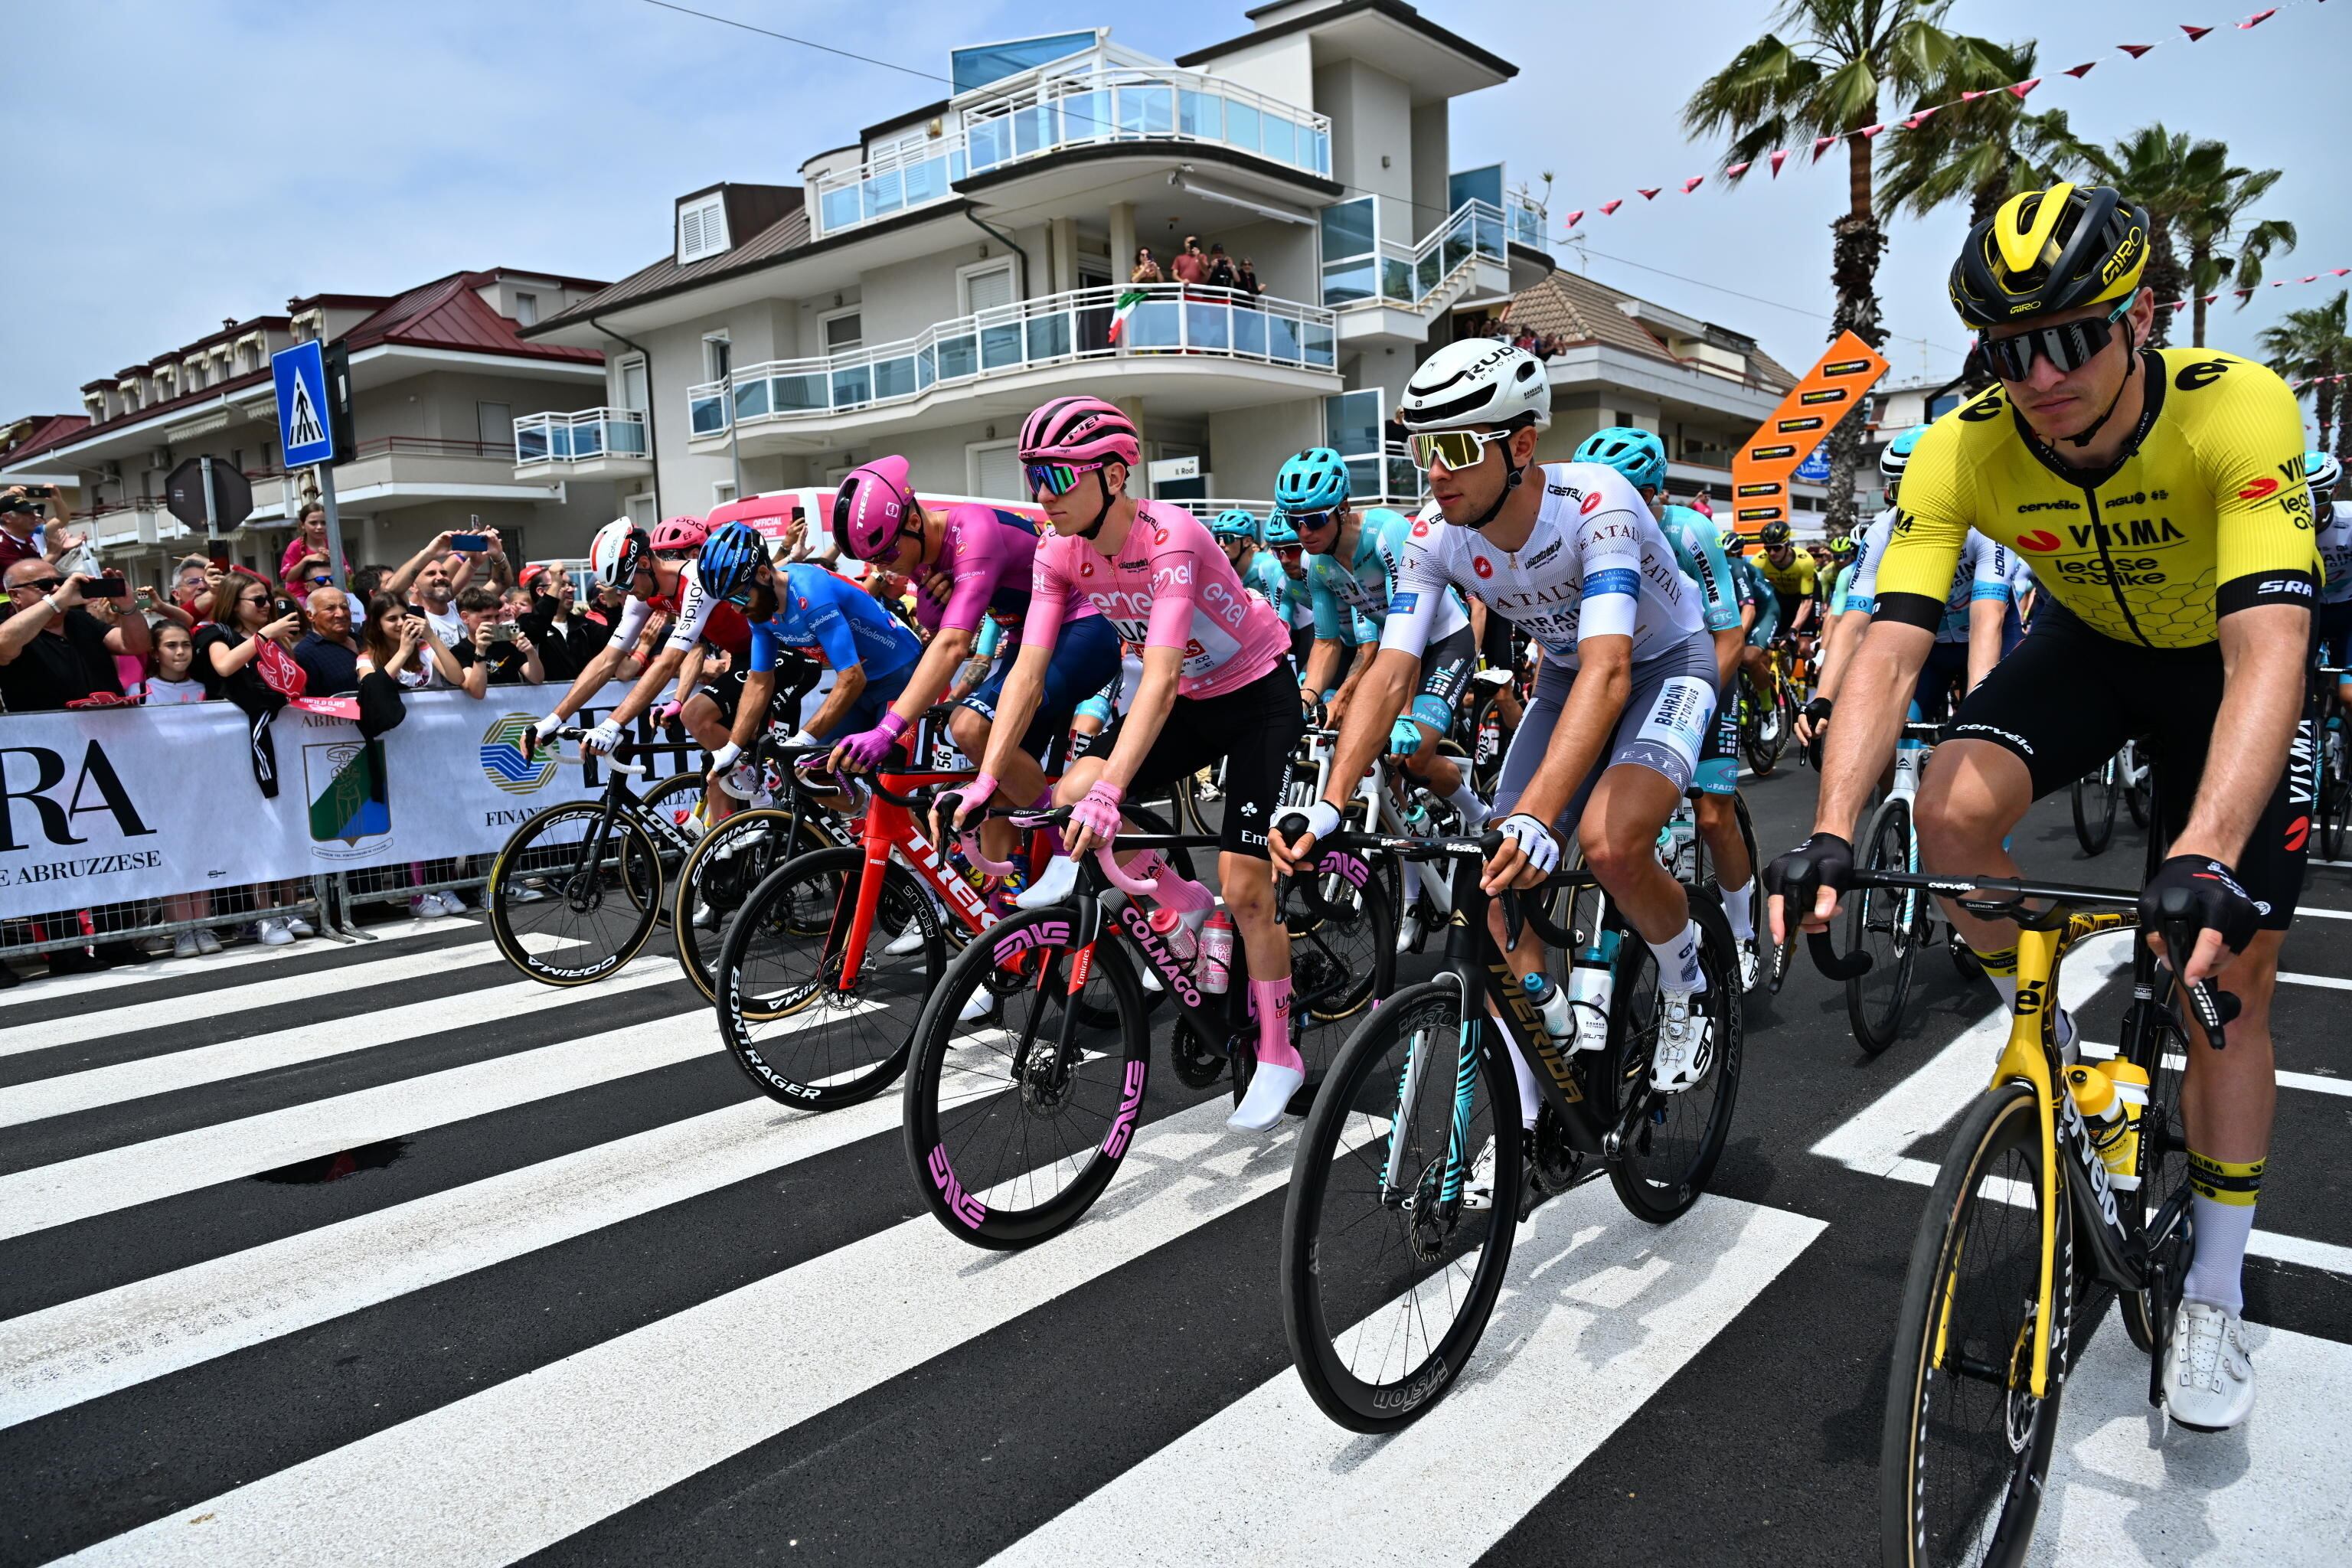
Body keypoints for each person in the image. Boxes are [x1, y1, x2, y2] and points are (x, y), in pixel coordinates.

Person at [1768, 183, 2321, 1433]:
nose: (2042, 374)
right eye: (2008, 350)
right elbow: (1891, 641)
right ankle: (2057, 1045)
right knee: (1949, 803)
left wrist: (2196, 855)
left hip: (2223, 675)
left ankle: (2218, 1289)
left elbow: (2270, 652)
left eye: (2071, 335)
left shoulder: (2233, 408)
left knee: (2221, 984)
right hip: (2091, 650)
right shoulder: (1963, 443)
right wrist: (1834, 825)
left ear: (2137, 320)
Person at [1269, 341, 1720, 1207]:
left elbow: (1612, 670)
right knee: (1494, 880)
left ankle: (1688, 979)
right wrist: (1329, 806)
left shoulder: (1600, 506)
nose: (1436, 471)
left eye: (1459, 448)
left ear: (1521, 445)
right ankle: (1542, 1046)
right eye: (1421, 449)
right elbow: (1391, 671)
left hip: (1664, 664)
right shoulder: (1435, 537)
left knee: (1609, 842)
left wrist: (1540, 815)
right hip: (1563, 676)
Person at [936, 395, 1307, 1135]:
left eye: (1056, 476)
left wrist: (1114, 789)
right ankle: (1182, 901)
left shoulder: (1170, 536)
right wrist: (987, 778)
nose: (1041, 495)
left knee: (1247, 886)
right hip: (1194, 700)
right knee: (1072, 791)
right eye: (1032, 475)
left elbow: (1160, 678)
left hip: (1258, 697)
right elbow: (1026, 673)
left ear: (1112, 474)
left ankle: (1277, 1052)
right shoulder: (1055, 549)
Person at [826, 456, 1122, 874]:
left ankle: (1065, 848)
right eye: (875, 559)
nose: (884, 566)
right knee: (997, 794)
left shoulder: (973, 530)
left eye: (887, 551)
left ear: (912, 520)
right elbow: (935, 625)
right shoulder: (922, 555)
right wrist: (932, 600)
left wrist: (888, 729)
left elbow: (952, 644)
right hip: (1030, 641)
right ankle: (1007, 915)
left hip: (1082, 629)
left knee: (968, 726)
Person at [1277, 446, 1488, 952]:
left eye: (1314, 520)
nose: (1303, 532)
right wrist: (1308, 694)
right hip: (1396, 651)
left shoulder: (1388, 534)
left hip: (1441, 643)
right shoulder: (1320, 566)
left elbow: (1410, 636)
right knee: (1379, 772)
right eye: (1294, 521)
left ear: (1343, 508)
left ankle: (1478, 815)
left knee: (1410, 753)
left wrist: (1407, 714)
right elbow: (1328, 642)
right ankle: (1414, 894)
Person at [1574, 426, 1761, 984]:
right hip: (1631, 676)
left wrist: (1691, 713)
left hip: (1698, 670)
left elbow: (1728, 636)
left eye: (1629, 495)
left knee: (1712, 815)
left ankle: (1745, 933)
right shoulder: (1587, 531)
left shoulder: (1691, 532)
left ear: (1655, 495)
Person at [692, 522, 924, 789]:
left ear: (764, 574)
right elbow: (759, 681)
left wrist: (804, 738)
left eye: (739, 599)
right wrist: (732, 749)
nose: (735, 610)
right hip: (863, 687)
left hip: (903, 677)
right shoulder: (761, 610)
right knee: (812, 775)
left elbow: (851, 678)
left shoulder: (810, 595)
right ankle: (861, 816)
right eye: (728, 602)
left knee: (891, 789)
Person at [0, 560, 149, 712]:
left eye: (60, 582)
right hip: (44, 732)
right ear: (15, 596)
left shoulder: (81, 619)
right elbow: (3, 647)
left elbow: (135, 645)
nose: (57, 588)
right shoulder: (8, 628)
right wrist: (56, 601)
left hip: (108, 728)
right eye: (45, 584)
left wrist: (128, 606)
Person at [2311, 451, 2350, 719]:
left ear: (2335, 492)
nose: (2312, 508)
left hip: (2348, 613)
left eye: (2319, 498)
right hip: (2309, 613)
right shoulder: (2279, 527)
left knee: (2349, 696)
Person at [515, 564, 604, 684]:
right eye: (562, 585)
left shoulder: (583, 625)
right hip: (546, 700)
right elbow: (536, 628)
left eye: (571, 584)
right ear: (541, 591)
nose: (571, 589)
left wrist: (613, 604)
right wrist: (555, 586)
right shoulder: (525, 622)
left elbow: (614, 641)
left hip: (586, 699)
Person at [1752, 521, 1820, 651]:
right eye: (1767, 548)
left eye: (1777, 548)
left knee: (1805, 646)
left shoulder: (1804, 561)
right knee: (1774, 645)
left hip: (1805, 597)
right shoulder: (1758, 562)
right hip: (1782, 596)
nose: (1772, 553)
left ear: (1787, 545)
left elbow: (1806, 601)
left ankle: (1812, 668)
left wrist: (1794, 630)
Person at [293, 586, 363, 694]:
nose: (340, 614)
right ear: (310, 615)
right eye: (330, 608)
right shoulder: (304, 654)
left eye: (344, 607)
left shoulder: (364, 641)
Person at [279, 503, 331, 587]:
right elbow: (287, 578)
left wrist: (335, 561)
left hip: (331, 592)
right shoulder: (295, 546)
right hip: (302, 596)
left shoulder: (333, 545)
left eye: (323, 523)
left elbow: (348, 578)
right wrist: (306, 560)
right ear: (302, 525)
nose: (320, 527)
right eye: (313, 523)